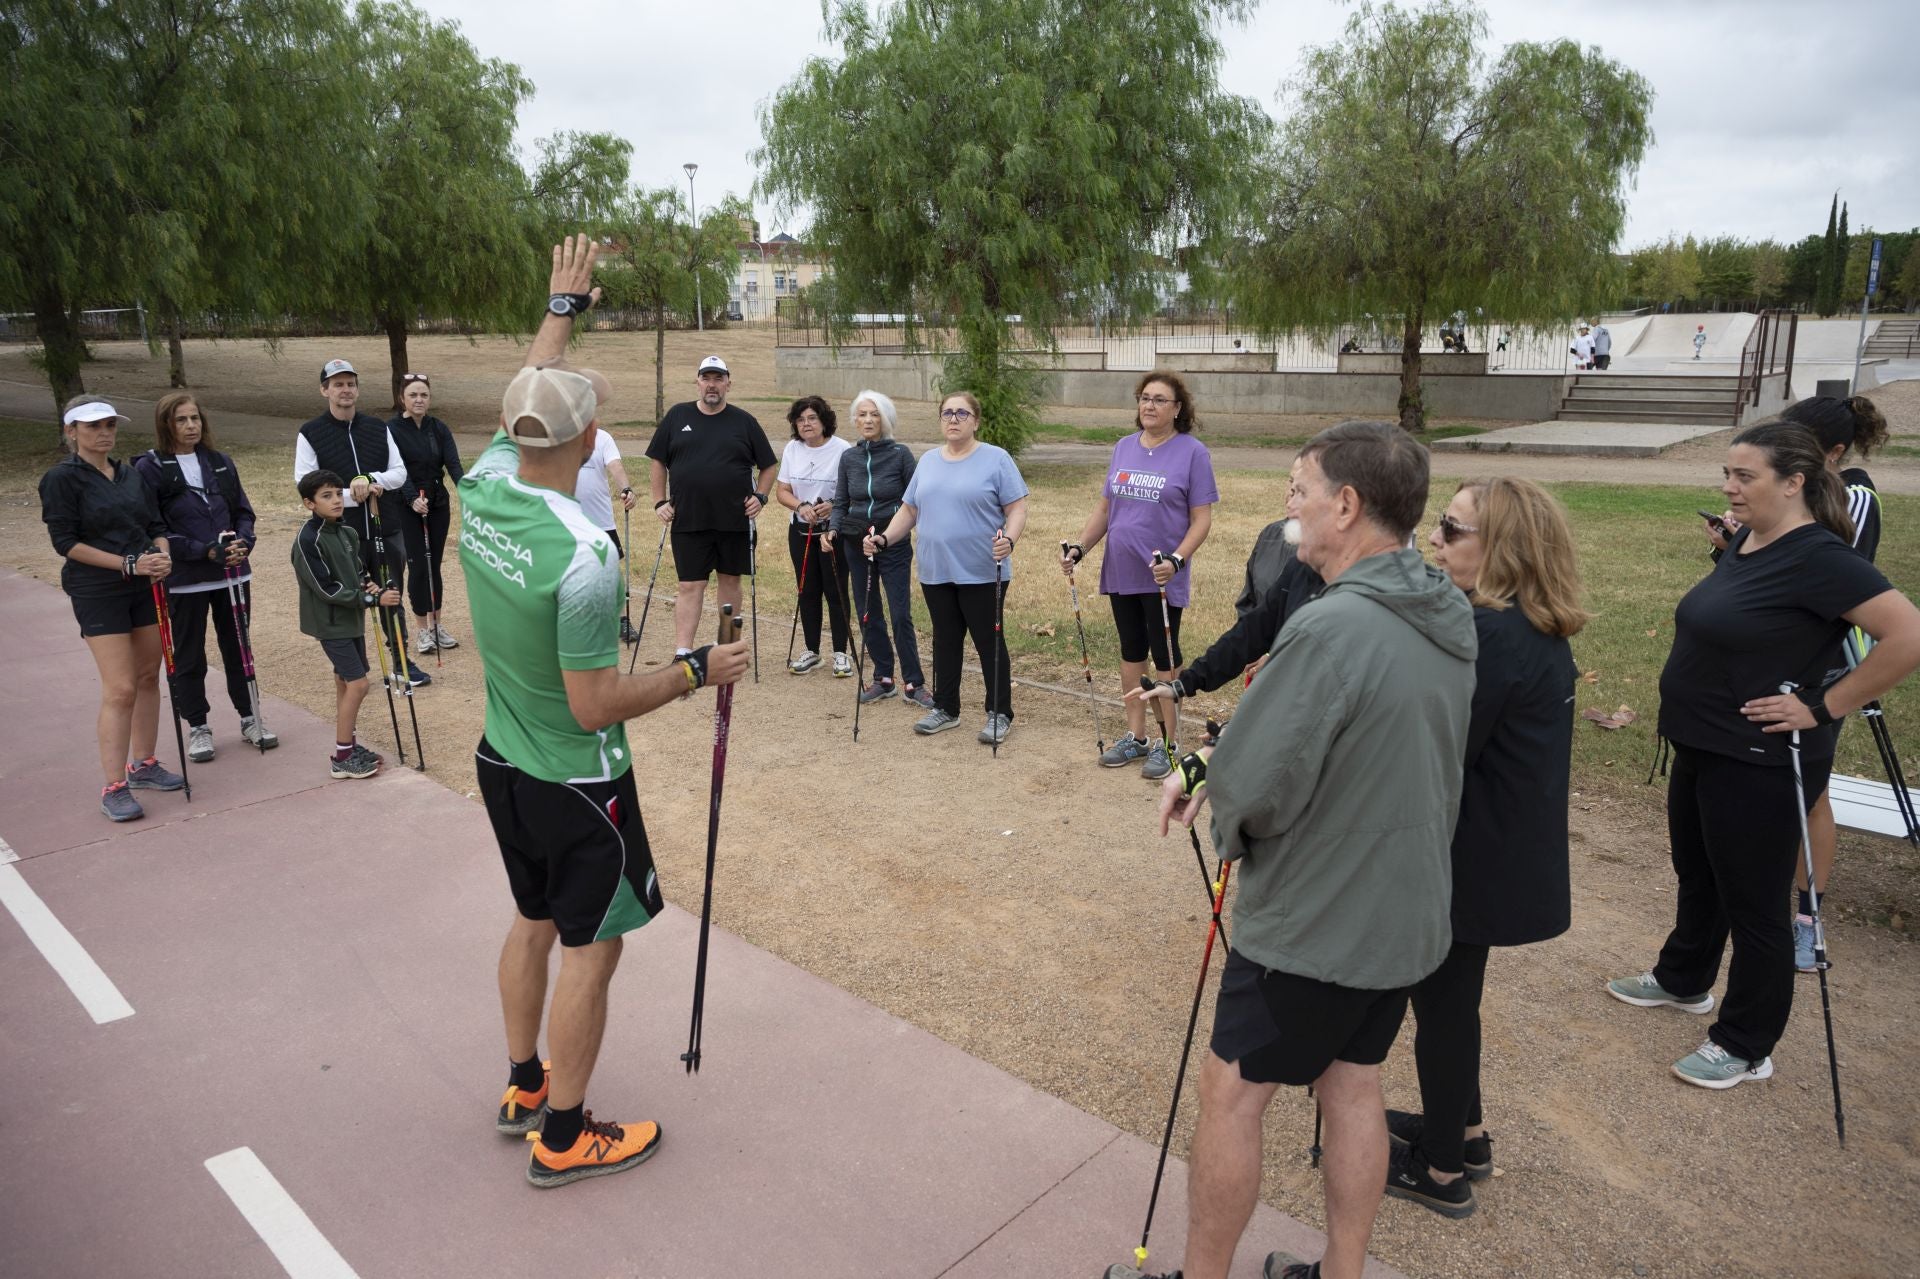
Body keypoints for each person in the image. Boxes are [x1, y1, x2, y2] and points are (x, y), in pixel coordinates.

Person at [1110, 420, 1476, 1279]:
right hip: (1405, 914)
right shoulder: (1445, 606)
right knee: (1353, 1084)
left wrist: (1224, 814)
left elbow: (1257, 790)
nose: (1291, 508)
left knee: (1232, 1094)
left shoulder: (1331, 628)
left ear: (1346, 506)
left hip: (1318, 919)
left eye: (1300, 491)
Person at [463, 236, 750, 1189]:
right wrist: (693, 668)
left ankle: (521, 1083)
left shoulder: (484, 484)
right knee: (595, 944)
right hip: (576, 780)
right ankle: (564, 1130)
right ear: (590, 444)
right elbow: (594, 704)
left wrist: (561, 305)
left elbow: (531, 382)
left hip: (502, 758)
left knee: (532, 917)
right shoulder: (585, 553)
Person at [1609, 421, 1920, 1089]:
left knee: (1754, 904)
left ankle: (1747, 1041)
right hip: (1702, 740)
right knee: (1699, 874)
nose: (1729, 486)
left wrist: (1823, 704)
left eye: (1744, 476)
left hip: (1758, 758)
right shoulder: (1750, 539)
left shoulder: (1822, 558)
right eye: (1728, 474)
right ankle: (1683, 977)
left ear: (1794, 482)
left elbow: (1908, 634)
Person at [1382, 478, 1587, 1219]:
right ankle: (1462, 1132)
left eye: (1451, 528)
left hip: (1471, 855)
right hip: (1496, 847)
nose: (1433, 538)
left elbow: (1442, 754)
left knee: (1441, 1008)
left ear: (1499, 546)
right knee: (1450, 1003)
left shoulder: (1493, 637)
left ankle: (1440, 1170)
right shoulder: (1526, 625)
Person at [1762, 396, 1889, 971]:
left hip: (1822, 668)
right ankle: (1755, 907)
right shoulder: (1791, 490)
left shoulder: (1853, 496)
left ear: (1833, 452)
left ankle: (1807, 920)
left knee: (1810, 793)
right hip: (1766, 660)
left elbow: (1829, 572)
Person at [1062, 371, 1217, 777]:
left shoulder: (1192, 452)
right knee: (1131, 650)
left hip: (1162, 574)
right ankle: (1138, 736)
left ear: (1178, 409)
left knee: (1164, 656)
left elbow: (1201, 520)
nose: (1149, 405)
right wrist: (1080, 548)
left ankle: (1169, 742)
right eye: (1144, 398)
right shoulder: (1123, 448)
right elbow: (1105, 510)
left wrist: (1178, 560)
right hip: (1122, 568)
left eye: (1160, 400)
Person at [39, 396, 186, 821]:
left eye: (109, 425)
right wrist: (127, 564)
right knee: (120, 687)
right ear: (71, 432)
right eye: (92, 426)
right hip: (98, 590)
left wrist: (161, 556)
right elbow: (65, 543)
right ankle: (114, 785)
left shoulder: (130, 474)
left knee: (146, 676)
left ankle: (144, 764)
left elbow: (155, 526)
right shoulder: (61, 479)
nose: (103, 433)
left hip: (145, 586)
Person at [865, 392, 1028, 744]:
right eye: (947, 413)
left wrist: (1010, 540)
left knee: (989, 641)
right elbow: (909, 511)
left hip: (983, 570)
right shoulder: (928, 462)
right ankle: (946, 708)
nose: (953, 419)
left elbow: (1017, 508)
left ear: (976, 420)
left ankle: (999, 713)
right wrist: (884, 539)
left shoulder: (996, 459)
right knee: (945, 640)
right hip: (936, 570)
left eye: (961, 413)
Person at [134, 393, 276, 762]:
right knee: (188, 655)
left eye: (195, 418)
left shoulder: (220, 462)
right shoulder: (150, 468)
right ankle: (197, 725)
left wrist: (243, 542)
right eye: (181, 420)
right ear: (166, 424)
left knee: (239, 649)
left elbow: (243, 511)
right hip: (185, 579)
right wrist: (203, 550)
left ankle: (251, 718)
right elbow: (155, 527)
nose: (191, 426)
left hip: (232, 576)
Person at [293, 359, 427, 686]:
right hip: (341, 534)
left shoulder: (378, 428)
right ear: (325, 389)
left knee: (389, 592)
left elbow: (398, 473)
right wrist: (353, 494)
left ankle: (399, 659)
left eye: (350, 383)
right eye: (337, 384)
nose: (345, 390)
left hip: (385, 526)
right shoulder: (310, 432)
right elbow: (305, 482)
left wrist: (369, 478)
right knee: (352, 596)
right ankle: (351, 669)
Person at [645, 355, 777, 659]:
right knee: (691, 585)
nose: (712, 385)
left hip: (734, 519)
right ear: (698, 382)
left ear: (728, 384)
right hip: (688, 518)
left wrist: (760, 497)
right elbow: (657, 461)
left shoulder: (744, 422)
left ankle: (728, 643)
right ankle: (683, 650)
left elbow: (769, 465)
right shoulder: (678, 416)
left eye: (718, 379)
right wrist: (659, 501)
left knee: (730, 581)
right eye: (707, 378)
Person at [290, 469, 400, 780]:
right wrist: (373, 602)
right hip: (330, 623)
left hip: (352, 619)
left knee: (344, 681)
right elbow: (326, 589)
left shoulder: (347, 532)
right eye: (327, 496)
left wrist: (372, 588)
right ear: (309, 503)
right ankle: (341, 757)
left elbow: (359, 573)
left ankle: (349, 746)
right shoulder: (307, 540)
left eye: (339, 494)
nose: (337, 500)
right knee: (359, 683)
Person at [824, 390, 930, 708]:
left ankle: (914, 682)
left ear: (885, 419)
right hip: (856, 543)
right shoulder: (849, 458)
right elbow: (841, 501)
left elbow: (915, 500)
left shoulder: (900, 454)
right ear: (855, 420)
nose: (868, 420)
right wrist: (832, 530)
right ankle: (883, 678)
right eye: (862, 414)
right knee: (868, 613)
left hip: (892, 543)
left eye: (874, 414)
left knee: (900, 614)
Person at [387, 372, 465, 654]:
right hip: (407, 507)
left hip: (437, 504)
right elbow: (396, 469)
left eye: (424, 395)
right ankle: (422, 630)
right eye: (413, 395)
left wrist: (468, 492)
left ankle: (436, 625)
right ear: (402, 399)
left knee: (434, 566)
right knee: (418, 566)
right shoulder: (392, 429)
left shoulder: (438, 428)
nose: (419, 400)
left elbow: (454, 465)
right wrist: (410, 499)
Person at [775, 394, 853, 675]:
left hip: (833, 532)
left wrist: (834, 506)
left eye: (812, 418)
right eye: (800, 419)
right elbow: (781, 491)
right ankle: (812, 650)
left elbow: (855, 492)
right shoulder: (792, 449)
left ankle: (841, 653)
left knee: (836, 590)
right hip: (800, 530)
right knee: (807, 590)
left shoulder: (843, 449)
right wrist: (801, 506)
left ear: (824, 421)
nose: (806, 424)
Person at [572, 401, 637, 641]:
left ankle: (621, 620)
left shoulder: (602, 438)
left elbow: (615, 465)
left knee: (610, 570)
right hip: (566, 520)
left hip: (600, 521)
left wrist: (627, 488)